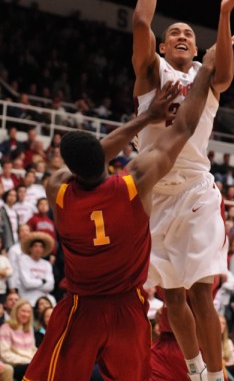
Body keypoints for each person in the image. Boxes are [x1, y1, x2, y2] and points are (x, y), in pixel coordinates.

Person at [23, 47, 217, 381]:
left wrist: (144, 118)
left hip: (81, 307)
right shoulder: (132, 184)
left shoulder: (59, 192)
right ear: (105, 160)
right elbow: (184, 128)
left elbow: (88, 160)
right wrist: (206, 71)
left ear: (71, 170)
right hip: (127, 309)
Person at [129, 0, 234, 381]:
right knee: (172, 296)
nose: (182, 36)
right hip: (154, 192)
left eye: (189, 35)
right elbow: (141, 21)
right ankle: (196, 369)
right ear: (163, 45)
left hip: (197, 189)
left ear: (198, 48)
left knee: (201, 294)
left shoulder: (210, 77)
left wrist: (224, 14)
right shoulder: (151, 72)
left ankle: (216, 377)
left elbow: (225, 67)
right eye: (175, 33)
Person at [0, 298, 37, 381]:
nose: (26, 314)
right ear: (16, 311)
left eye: (28, 312)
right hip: (14, 366)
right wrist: (28, 360)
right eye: (23, 311)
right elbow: (5, 355)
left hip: (30, 363)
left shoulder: (29, 329)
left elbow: (33, 349)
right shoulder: (6, 328)